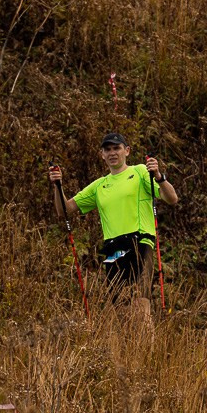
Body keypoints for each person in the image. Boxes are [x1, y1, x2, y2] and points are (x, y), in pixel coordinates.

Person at [49, 133, 179, 320]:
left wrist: (158, 176)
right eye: (107, 149)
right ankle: (130, 349)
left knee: (141, 305)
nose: (112, 153)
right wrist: (57, 185)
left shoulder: (140, 171)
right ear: (102, 154)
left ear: (126, 151)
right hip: (113, 249)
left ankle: (145, 349)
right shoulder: (99, 185)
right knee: (121, 310)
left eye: (116, 148)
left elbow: (172, 198)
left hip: (140, 242)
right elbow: (65, 210)